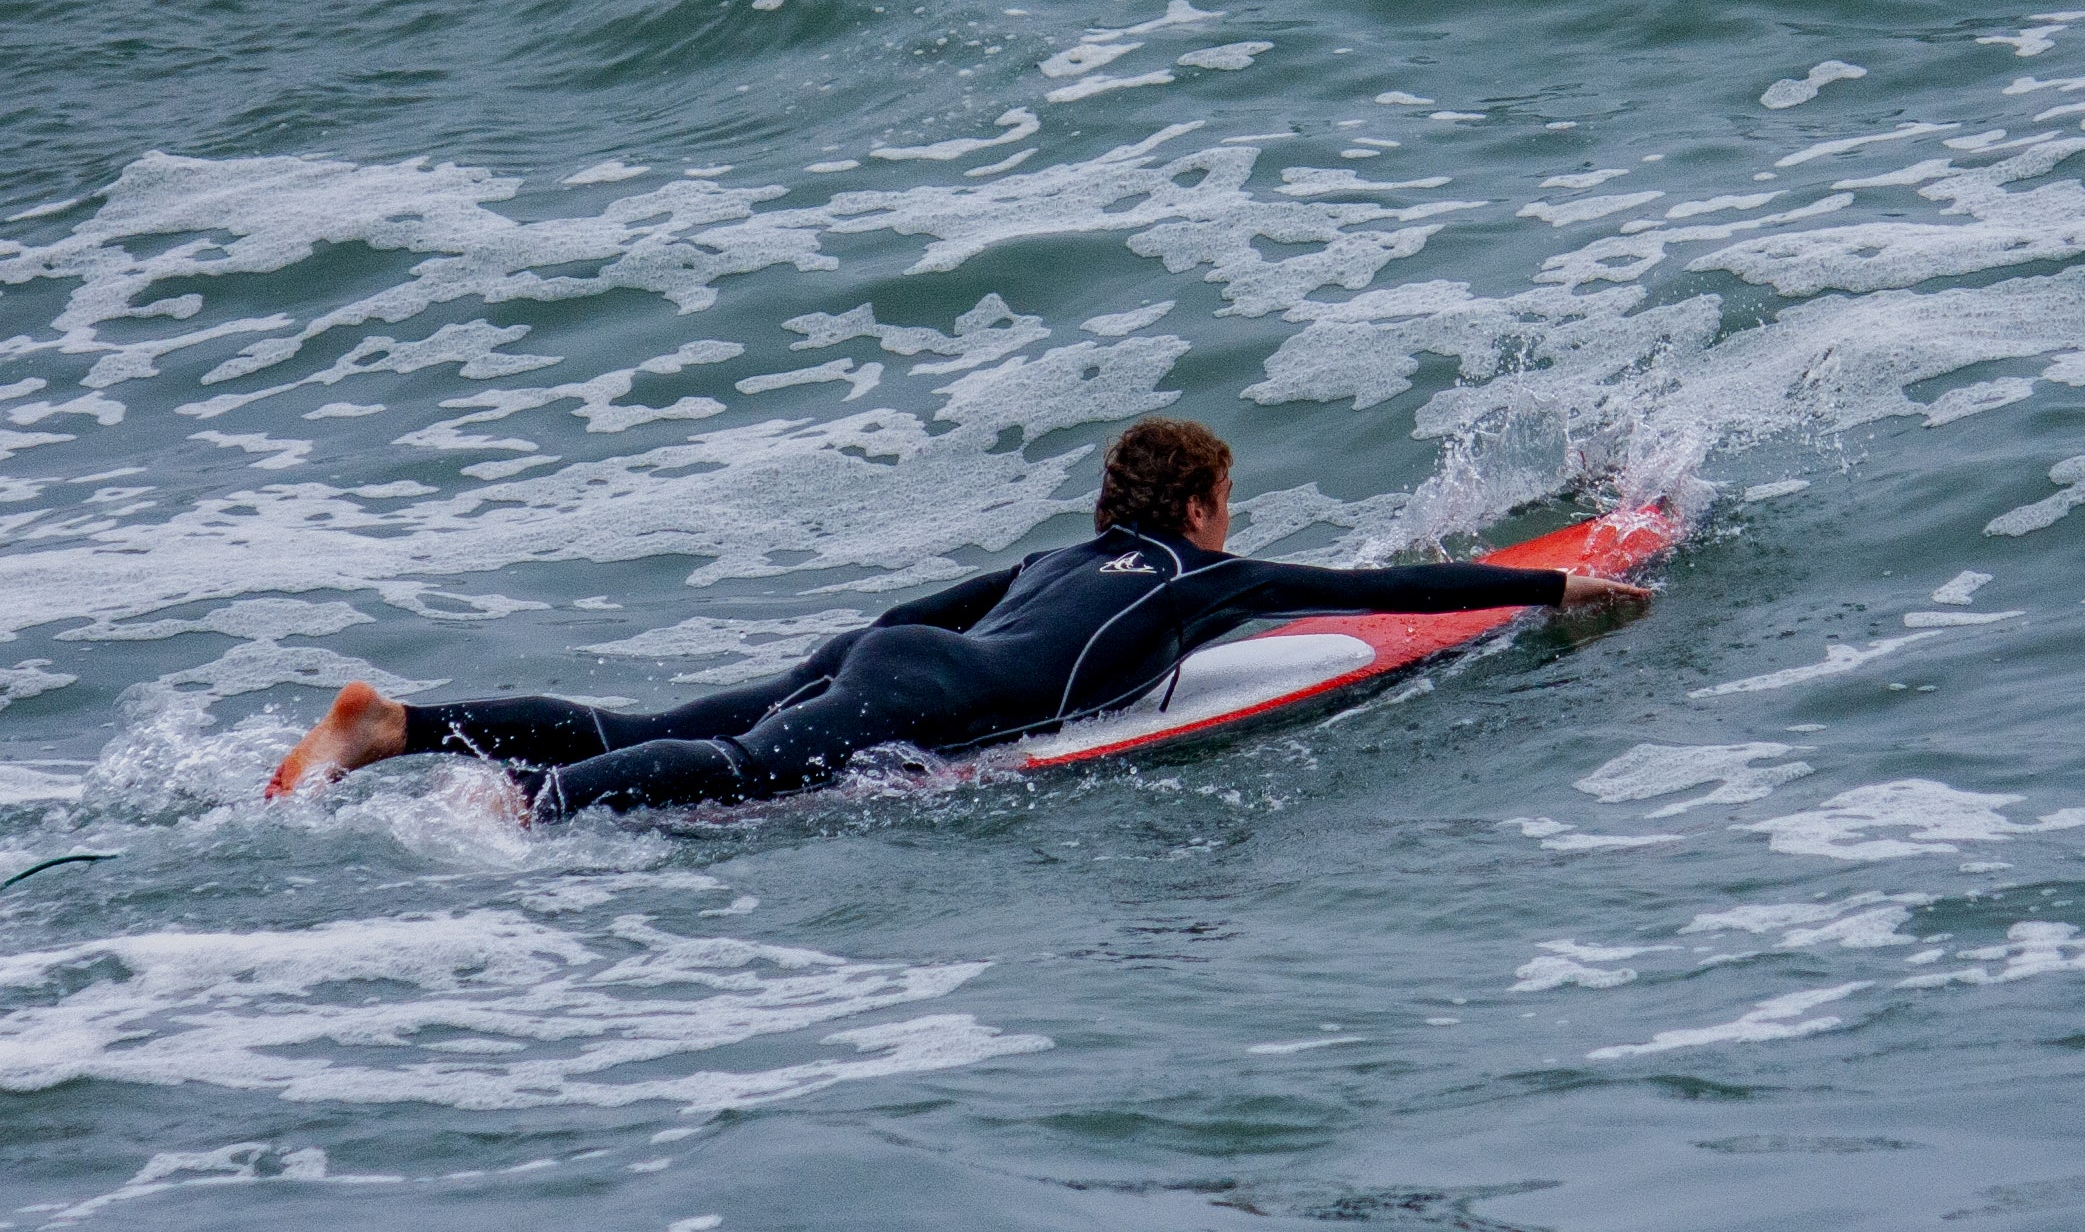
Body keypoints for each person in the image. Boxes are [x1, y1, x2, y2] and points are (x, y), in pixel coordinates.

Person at [265, 418, 1649, 821]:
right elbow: (1371, 597)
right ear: (1210, 508)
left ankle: (402, 726)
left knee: (691, 725)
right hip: (937, 704)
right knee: (745, 775)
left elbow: (925, 608)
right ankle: (542, 805)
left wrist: (834, 666)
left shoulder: (1067, 553)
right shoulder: (1199, 579)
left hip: (895, 655)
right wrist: (1550, 586)